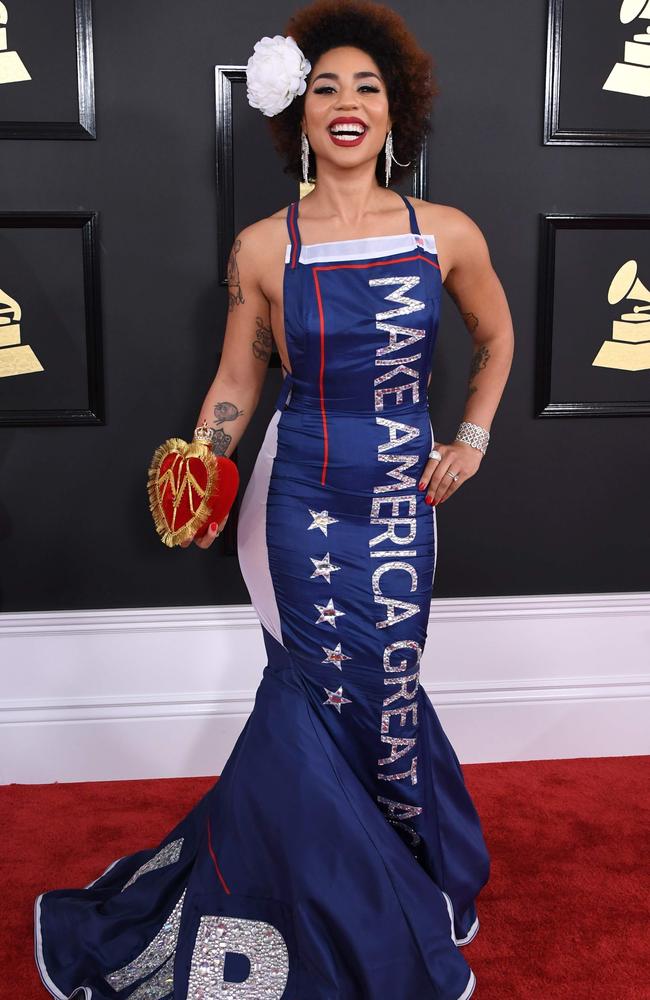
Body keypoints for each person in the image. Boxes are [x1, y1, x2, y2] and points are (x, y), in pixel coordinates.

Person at [34, 2, 514, 998]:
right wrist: (204, 453)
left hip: (395, 504)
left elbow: (496, 337)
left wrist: (467, 437)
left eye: (366, 88)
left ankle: (411, 871)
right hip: (291, 499)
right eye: (327, 87)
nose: (346, 103)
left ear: (395, 116)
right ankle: (326, 895)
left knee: (383, 691)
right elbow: (235, 382)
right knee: (306, 689)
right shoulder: (262, 247)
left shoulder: (446, 233)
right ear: (297, 114)